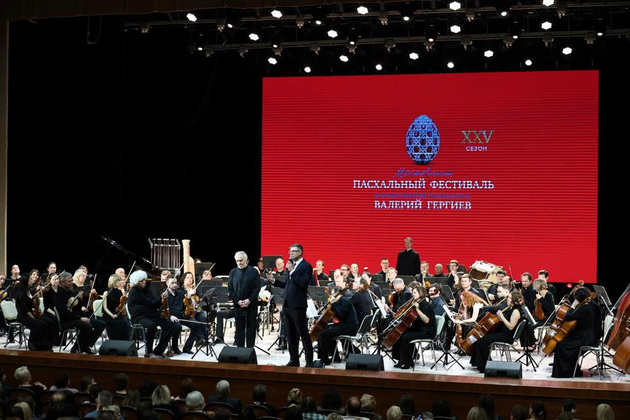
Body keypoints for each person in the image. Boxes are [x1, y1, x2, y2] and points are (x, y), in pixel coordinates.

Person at [267, 243, 315, 367]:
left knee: (303, 333)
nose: (291, 253)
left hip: (298, 305)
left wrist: (292, 270)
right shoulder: (291, 267)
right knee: (291, 335)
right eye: (290, 251)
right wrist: (274, 281)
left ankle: (309, 361)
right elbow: (288, 284)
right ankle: (294, 360)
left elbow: (303, 283)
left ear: (300, 252)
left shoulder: (306, 266)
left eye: (293, 251)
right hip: (287, 305)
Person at [469, 290, 524, 373]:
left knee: (482, 342)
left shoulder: (516, 311)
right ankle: (478, 362)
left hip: (506, 336)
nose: (507, 299)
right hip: (502, 333)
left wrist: (502, 316)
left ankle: (484, 366)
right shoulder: (511, 308)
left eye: (509, 298)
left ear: (514, 300)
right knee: (480, 339)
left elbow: (511, 327)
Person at [127, 270, 174, 359]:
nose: (144, 282)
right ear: (136, 282)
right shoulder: (134, 292)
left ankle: (158, 351)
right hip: (139, 317)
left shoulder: (147, 290)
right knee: (151, 326)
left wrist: (162, 299)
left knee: (169, 325)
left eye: (144, 280)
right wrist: (159, 299)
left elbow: (154, 304)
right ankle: (149, 351)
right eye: (141, 281)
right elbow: (151, 303)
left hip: (151, 315)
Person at [54, 271, 105, 354]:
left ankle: (86, 346)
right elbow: (64, 312)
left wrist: (80, 300)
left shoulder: (70, 292)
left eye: (71, 280)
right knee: (87, 326)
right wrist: (80, 318)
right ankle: (76, 348)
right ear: (62, 283)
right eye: (69, 281)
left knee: (101, 324)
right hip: (67, 320)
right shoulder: (59, 295)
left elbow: (77, 307)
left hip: (76, 317)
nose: (71, 282)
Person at [551, 287, 596, 378]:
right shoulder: (585, 306)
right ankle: (570, 369)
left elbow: (567, 317)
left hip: (584, 338)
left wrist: (572, 306)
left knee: (560, 345)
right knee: (562, 343)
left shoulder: (583, 308)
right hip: (583, 335)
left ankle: (566, 372)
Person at [392, 285, 436, 369]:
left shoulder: (425, 304)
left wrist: (418, 310)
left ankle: (407, 362)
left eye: (415, 293)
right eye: (413, 292)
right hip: (418, 329)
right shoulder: (416, 303)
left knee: (405, 337)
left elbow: (426, 320)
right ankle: (400, 360)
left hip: (427, 331)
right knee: (399, 334)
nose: (413, 294)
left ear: (420, 293)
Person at [227, 251, 261, 348]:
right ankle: (240, 350)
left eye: (241, 260)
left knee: (251, 328)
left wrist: (249, 300)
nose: (239, 263)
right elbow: (230, 290)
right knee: (239, 329)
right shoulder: (233, 272)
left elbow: (257, 288)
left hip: (251, 304)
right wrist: (238, 301)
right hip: (238, 305)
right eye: (237, 261)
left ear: (247, 260)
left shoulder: (253, 272)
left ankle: (250, 350)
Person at [166, 276, 208, 354]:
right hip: (171, 317)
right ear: (167, 283)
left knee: (196, 324)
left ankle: (187, 348)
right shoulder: (165, 295)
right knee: (177, 326)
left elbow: (187, 304)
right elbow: (163, 309)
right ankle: (175, 347)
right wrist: (170, 316)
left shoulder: (180, 293)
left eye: (176, 283)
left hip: (182, 315)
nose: (175, 285)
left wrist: (189, 298)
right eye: (172, 283)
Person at [316, 287, 358, 365]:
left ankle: (324, 360)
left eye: (332, 294)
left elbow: (342, 314)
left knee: (322, 334)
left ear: (336, 294)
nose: (330, 296)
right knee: (328, 333)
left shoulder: (345, 301)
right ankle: (335, 357)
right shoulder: (340, 301)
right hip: (344, 326)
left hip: (348, 327)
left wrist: (334, 303)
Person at [13, 270, 54, 350]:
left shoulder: (30, 291)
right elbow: (25, 310)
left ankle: (47, 344)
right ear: (26, 282)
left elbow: (33, 305)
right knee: (40, 324)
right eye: (30, 279)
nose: (32, 280)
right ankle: (33, 343)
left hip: (31, 314)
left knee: (49, 322)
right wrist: (34, 318)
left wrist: (36, 299)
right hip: (23, 316)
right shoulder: (21, 294)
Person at [101, 274, 131, 341]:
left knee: (125, 323)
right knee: (116, 324)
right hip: (108, 315)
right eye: (118, 281)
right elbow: (105, 307)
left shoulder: (120, 292)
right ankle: (115, 341)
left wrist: (124, 302)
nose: (120, 282)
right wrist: (112, 315)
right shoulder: (106, 293)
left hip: (117, 314)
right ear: (113, 281)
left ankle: (124, 343)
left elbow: (120, 305)